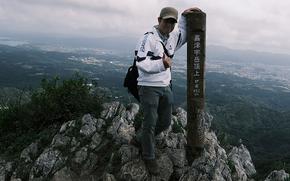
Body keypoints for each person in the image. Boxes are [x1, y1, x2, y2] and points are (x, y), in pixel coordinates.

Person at [131, 6, 201, 175]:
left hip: (165, 86)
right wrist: (161, 64)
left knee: (166, 121)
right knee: (150, 122)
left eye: (172, 22)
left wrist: (185, 14)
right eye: (166, 21)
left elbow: (183, 31)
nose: (169, 26)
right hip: (148, 86)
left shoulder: (172, 37)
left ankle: (141, 139)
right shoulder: (147, 38)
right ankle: (148, 156)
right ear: (158, 20)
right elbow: (141, 62)